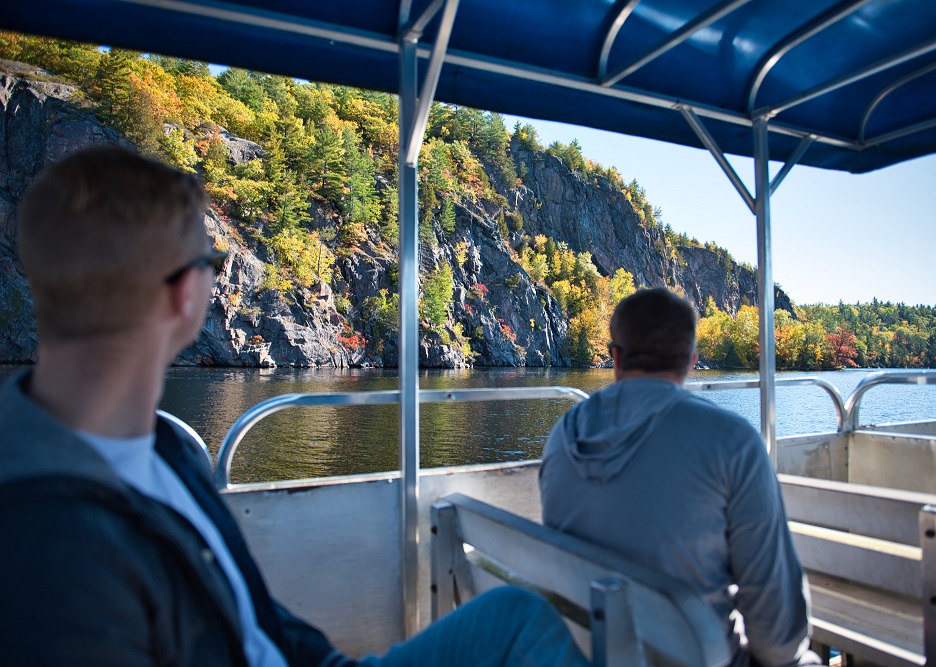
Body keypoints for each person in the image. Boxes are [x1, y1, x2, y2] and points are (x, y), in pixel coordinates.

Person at [0, 146, 589, 667]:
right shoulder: (49, 540)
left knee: (514, 615)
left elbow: (247, 613)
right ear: (184, 293)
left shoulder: (163, 446)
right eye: (213, 264)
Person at [539, 288, 815, 667]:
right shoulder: (730, 440)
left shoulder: (562, 435)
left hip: (584, 653)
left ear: (615, 356)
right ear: (691, 360)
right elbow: (778, 639)